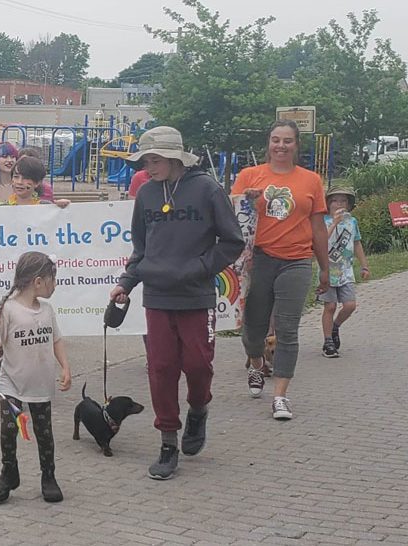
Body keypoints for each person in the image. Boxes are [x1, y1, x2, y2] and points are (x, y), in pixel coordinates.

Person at [109, 126, 243, 480]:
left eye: (154, 160)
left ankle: (198, 408)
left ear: (174, 158)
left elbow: (232, 241)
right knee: (161, 368)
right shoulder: (147, 194)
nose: (148, 168)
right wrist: (126, 283)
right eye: (145, 161)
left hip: (196, 295)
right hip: (157, 295)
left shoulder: (207, 189)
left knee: (198, 365)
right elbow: (141, 248)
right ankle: (168, 441)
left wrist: (199, 268)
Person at [231, 119, 330, 421]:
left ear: (296, 145)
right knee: (253, 330)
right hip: (259, 260)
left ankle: (280, 396)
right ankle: (256, 363)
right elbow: (233, 216)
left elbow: (318, 227)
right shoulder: (250, 175)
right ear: (269, 143)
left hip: (297, 261)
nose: (281, 146)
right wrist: (246, 200)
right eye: (276, 140)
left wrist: (325, 268)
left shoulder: (311, 180)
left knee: (287, 330)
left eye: (288, 141)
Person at [0, 251, 72, 503]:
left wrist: (65, 367)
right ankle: (8, 472)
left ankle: (49, 476)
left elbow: (56, 340)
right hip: (11, 383)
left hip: (40, 384)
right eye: (53, 279)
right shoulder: (8, 309)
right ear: (38, 282)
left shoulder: (47, 310)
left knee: (44, 432)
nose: (55, 285)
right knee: (8, 430)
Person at [320, 187, 370, 358]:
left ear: (349, 205)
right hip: (327, 271)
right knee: (330, 306)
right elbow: (321, 241)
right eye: (335, 201)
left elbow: (357, 243)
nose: (339, 204)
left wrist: (364, 266)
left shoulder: (352, 222)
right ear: (328, 204)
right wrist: (334, 222)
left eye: (343, 201)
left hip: (345, 271)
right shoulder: (323, 221)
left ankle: (335, 326)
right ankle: (328, 341)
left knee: (350, 305)